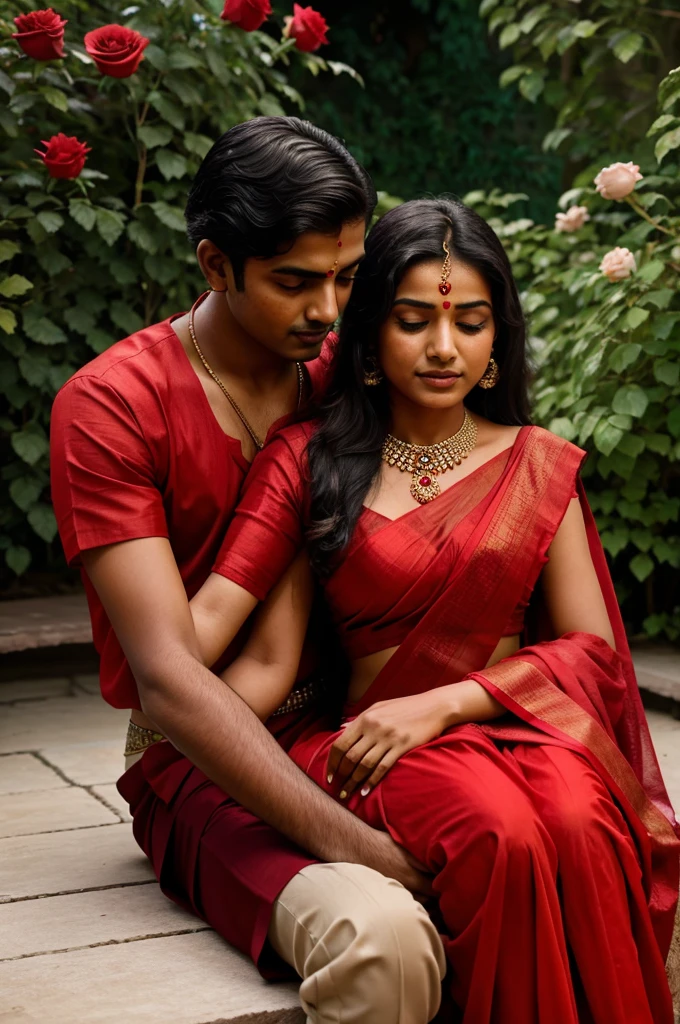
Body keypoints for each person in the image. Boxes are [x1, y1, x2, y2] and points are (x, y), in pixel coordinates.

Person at [186, 197, 680, 1022]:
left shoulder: (535, 464)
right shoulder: (309, 462)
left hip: (515, 731)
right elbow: (266, 660)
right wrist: (178, 741)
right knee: (499, 831)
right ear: (371, 332)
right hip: (374, 753)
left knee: (581, 816)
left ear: (496, 340)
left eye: (470, 323)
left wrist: (446, 703)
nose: (444, 347)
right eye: (414, 321)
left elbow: (592, 650)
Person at [50, 118, 446, 1024]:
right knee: (384, 941)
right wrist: (359, 847)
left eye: (348, 277)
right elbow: (169, 680)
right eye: (295, 282)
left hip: (368, 722)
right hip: (199, 754)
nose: (330, 312)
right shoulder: (112, 408)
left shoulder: (351, 373)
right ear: (215, 264)